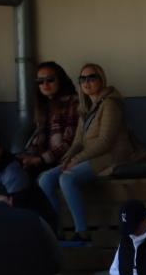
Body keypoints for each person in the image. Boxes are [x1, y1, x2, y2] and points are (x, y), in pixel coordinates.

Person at [39, 63, 133, 243]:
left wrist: (76, 160)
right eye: (82, 79)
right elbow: (78, 142)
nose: (86, 82)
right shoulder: (86, 107)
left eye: (91, 78)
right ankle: (55, 231)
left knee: (67, 178)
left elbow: (105, 142)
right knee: (45, 179)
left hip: (111, 157)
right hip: (90, 157)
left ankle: (82, 232)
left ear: (101, 79)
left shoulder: (110, 104)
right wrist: (67, 158)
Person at [18, 61, 79, 177]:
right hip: (44, 159)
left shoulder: (73, 102)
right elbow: (38, 141)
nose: (45, 84)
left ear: (60, 80)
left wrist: (40, 159)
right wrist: (26, 156)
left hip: (63, 161)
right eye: (40, 81)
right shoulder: (44, 106)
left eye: (50, 80)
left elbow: (69, 143)